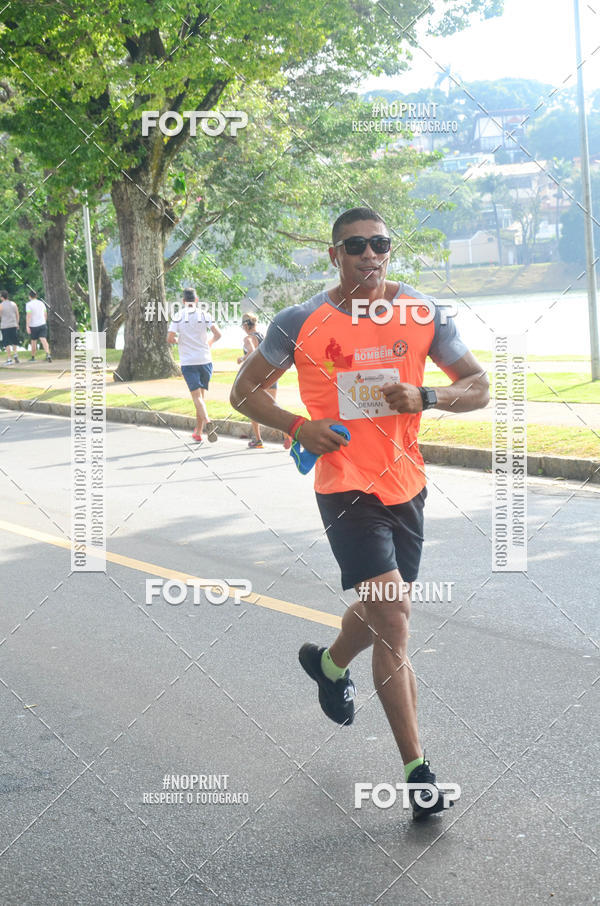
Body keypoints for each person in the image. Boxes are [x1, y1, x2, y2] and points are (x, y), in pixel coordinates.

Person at [231, 207, 489, 819]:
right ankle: (417, 772)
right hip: (345, 485)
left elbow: (478, 384)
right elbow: (244, 390)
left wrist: (429, 395)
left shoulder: (421, 313)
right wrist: (299, 426)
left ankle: (327, 663)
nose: (370, 255)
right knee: (395, 617)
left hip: (406, 483)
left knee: (381, 608)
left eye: (380, 244)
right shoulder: (300, 320)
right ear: (334, 255)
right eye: (356, 246)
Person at [167, 288, 222, 444]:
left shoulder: (178, 316)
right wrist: (209, 343)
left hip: (189, 362)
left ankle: (208, 422)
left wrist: (179, 341)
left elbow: (170, 338)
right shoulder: (205, 315)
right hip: (205, 360)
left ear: (184, 301)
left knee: (197, 397)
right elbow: (218, 334)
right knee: (201, 398)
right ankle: (198, 432)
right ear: (196, 300)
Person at [236, 312, 290, 449]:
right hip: (271, 375)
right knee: (274, 407)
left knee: (252, 408)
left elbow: (252, 352)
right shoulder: (263, 336)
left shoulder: (248, 338)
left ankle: (258, 440)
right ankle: (287, 434)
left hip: (257, 378)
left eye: (242, 325)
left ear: (245, 325)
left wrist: (241, 359)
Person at [25, 290, 52, 362]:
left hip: (33, 325)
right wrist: (44, 321)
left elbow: (28, 315)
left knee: (33, 341)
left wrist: (27, 326)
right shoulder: (41, 303)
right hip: (42, 323)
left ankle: (33, 357)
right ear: (36, 296)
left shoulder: (28, 304)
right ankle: (48, 353)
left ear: (29, 296)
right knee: (43, 339)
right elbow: (45, 313)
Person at [0, 291, 20, 364]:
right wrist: (17, 323)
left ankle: (9, 359)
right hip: (13, 325)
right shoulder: (13, 304)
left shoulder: (1, 305)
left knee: (6, 342)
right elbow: (17, 314)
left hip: (5, 326)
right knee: (14, 341)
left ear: (2, 297)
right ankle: (15, 354)